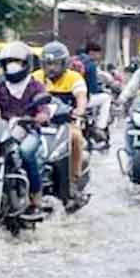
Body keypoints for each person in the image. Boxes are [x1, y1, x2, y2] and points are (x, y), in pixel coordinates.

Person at [0, 41, 52, 217]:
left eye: (16, 62)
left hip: (29, 130)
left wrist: (41, 116)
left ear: (26, 64)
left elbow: (43, 109)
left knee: (25, 153)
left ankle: (35, 199)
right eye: (8, 62)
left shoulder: (35, 85)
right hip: (5, 131)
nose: (12, 66)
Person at [31, 40, 88, 208]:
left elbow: (81, 97)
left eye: (55, 64)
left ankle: (73, 180)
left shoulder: (74, 77)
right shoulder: (36, 77)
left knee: (76, 137)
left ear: (64, 64)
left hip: (66, 123)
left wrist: (79, 110)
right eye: (47, 64)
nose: (51, 68)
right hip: (40, 124)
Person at [81, 40, 113, 140]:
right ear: (92, 53)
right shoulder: (91, 65)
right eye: (98, 53)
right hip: (83, 99)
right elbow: (93, 89)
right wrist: (103, 90)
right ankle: (100, 126)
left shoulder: (74, 61)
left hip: (69, 98)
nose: (99, 56)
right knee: (107, 98)